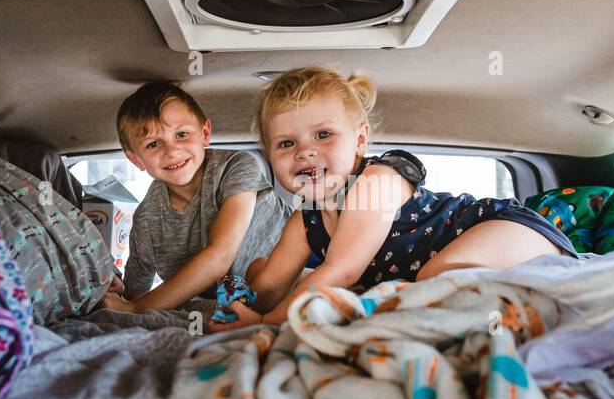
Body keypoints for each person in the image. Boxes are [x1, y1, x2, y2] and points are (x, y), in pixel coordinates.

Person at [212, 66, 576, 330]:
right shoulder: (303, 220)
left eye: (323, 135)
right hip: (483, 254)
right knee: (263, 266)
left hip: (504, 229)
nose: (305, 153)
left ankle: (526, 319)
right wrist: (241, 307)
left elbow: (341, 270)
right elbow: (271, 286)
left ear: (359, 140)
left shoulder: (376, 180)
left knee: (437, 277)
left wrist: (268, 324)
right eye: (286, 144)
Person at [100, 81, 287, 312]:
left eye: (182, 134)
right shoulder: (146, 222)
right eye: (153, 144)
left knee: (263, 272)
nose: (172, 150)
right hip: (235, 303)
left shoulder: (235, 166)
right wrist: (122, 298)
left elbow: (221, 254)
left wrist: (135, 308)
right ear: (136, 160)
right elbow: (135, 293)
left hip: (297, 269)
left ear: (205, 134)